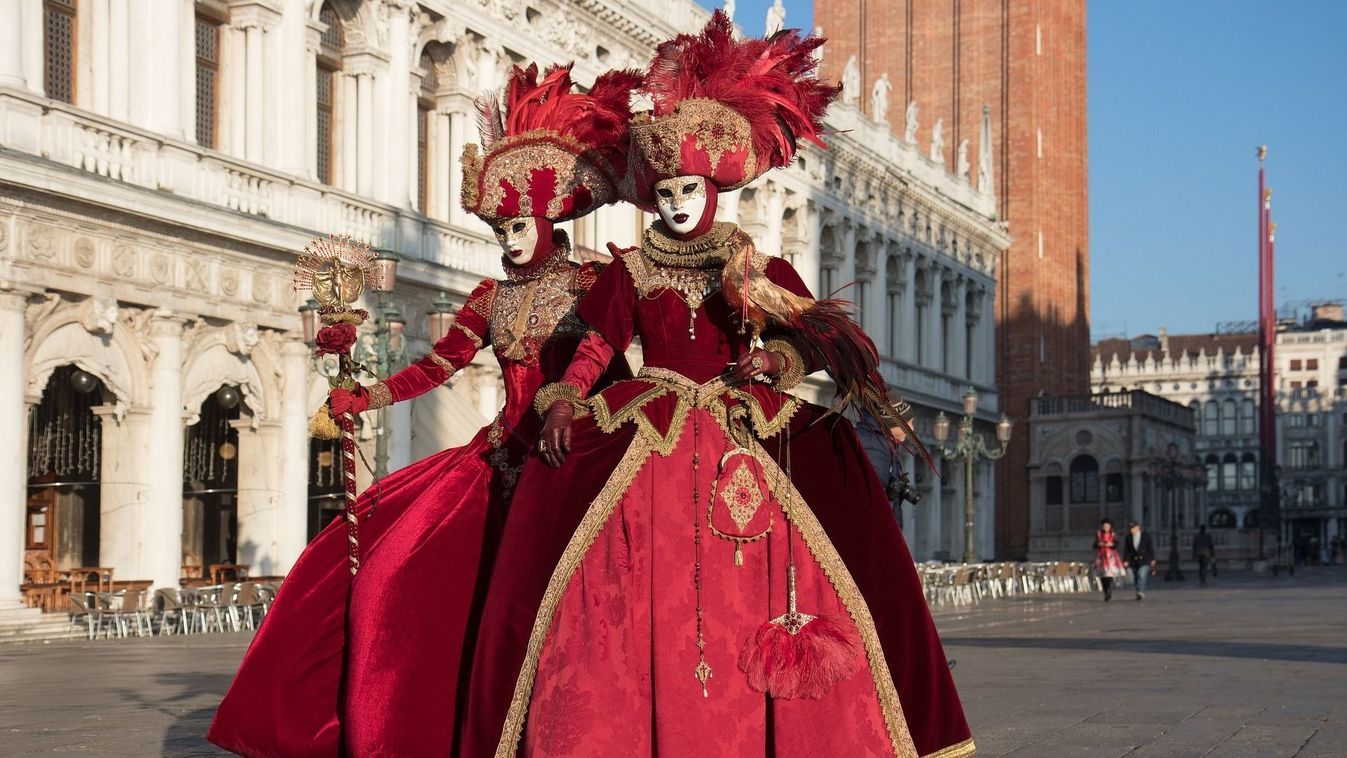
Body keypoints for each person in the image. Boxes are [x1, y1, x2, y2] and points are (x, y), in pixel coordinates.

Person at [460, 14, 972, 757]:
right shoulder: (630, 271)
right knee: (580, 547)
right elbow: (600, 340)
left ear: (713, 191)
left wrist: (776, 364)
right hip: (649, 414)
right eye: (664, 192)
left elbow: (819, 335)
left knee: (834, 521)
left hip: (745, 419)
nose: (673, 204)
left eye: (686, 190)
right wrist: (568, 399)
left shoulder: (751, 266)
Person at [207, 64, 638, 756]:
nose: (508, 240)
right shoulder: (487, 299)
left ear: (549, 219)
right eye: (500, 228)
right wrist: (366, 394)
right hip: (499, 456)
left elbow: (608, 365)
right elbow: (437, 366)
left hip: (574, 460)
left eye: (518, 225)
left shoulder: (596, 287)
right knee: (385, 572)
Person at [1121, 520, 1157, 601]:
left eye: (1133, 528)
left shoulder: (1145, 536)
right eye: (1130, 528)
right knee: (1135, 576)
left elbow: (1150, 548)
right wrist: (1125, 560)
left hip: (1144, 559)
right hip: (1133, 560)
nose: (1131, 530)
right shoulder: (1128, 537)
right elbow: (1126, 550)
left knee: (1141, 574)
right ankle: (1138, 590)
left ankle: (1141, 591)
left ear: (1138, 528)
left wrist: (1152, 559)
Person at [1092, 518, 1127, 601]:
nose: (1106, 527)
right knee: (1102, 575)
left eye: (1107, 526)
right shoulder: (1098, 534)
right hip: (1101, 557)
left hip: (1111, 556)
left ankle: (1109, 590)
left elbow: (1116, 544)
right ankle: (1105, 590)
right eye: (1104, 526)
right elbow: (1094, 544)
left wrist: (1111, 544)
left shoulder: (1113, 534)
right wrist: (1099, 544)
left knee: (1110, 574)